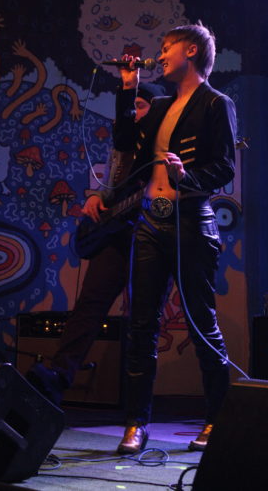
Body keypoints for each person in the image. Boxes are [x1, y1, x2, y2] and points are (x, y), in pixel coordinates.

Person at [113, 22, 237, 455]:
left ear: (190, 50)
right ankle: (135, 424)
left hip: (191, 222)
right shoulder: (162, 105)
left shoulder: (216, 104)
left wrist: (187, 177)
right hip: (150, 224)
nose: (160, 55)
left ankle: (217, 419)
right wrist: (129, 87)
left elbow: (225, 168)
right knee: (141, 324)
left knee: (202, 323)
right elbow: (125, 141)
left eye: (166, 48)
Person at [26, 82, 166, 406]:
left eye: (140, 106)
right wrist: (96, 198)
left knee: (144, 317)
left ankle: (136, 408)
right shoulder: (123, 145)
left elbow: (167, 201)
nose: (131, 115)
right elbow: (113, 184)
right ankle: (57, 378)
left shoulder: (164, 146)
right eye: (130, 108)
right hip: (116, 232)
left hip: (150, 235)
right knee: (89, 306)